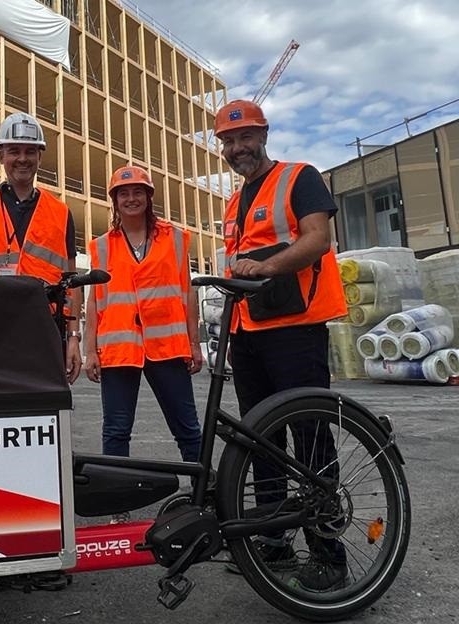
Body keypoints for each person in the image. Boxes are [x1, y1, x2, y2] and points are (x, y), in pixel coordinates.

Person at [214, 99, 349, 591]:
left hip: (296, 329)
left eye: (246, 137)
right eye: (229, 141)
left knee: (311, 437)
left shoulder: (299, 177)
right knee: (260, 439)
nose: (238, 148)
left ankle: (330, 557)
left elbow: (318, 239)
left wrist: (266, 267)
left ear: (264, 135)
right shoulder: (233, 202)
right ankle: (274, 541)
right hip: (249, 332)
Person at [83, 165, 203, 487]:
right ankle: (117, 498)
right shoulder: (102, 246)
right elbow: (94, 301)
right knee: (116, 431)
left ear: (149, 197)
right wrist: (90, 350)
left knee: (187, 429)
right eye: (123, 194)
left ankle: (204, 495)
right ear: (114, 200)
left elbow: (187, 292)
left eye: (138, 192)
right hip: (120, 348)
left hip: (167, 347)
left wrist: (194, 343)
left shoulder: (174, 238)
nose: (131, 199)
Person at [0, 112, 83, 383]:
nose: (22, 158)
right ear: (1, 156)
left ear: (40, 157)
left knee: (42, 403)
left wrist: (73, 338)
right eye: (14, 151)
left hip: (44, 332)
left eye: (30, 151)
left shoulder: (61, 213)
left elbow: (73, 283)